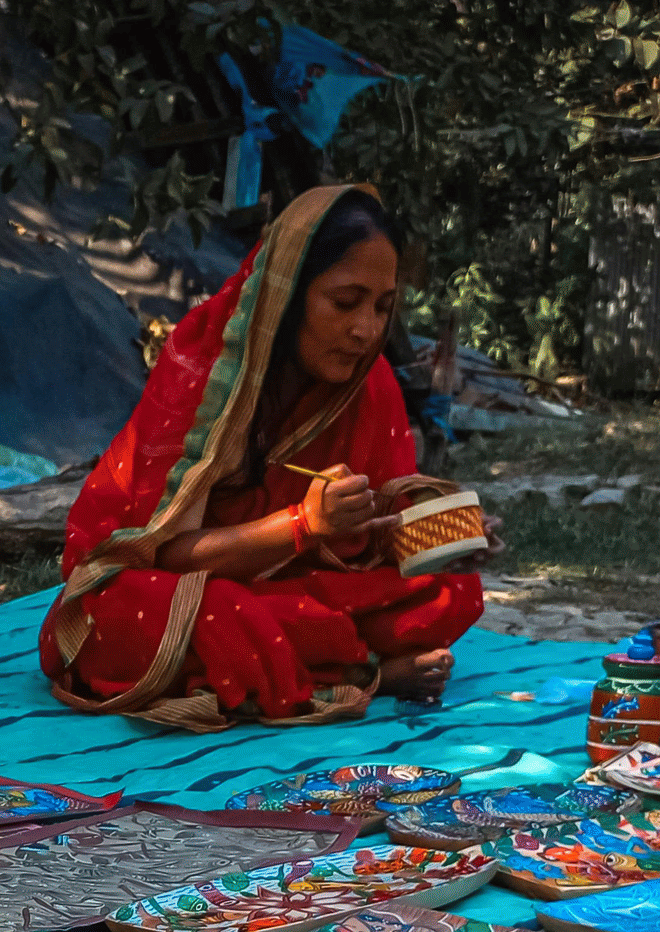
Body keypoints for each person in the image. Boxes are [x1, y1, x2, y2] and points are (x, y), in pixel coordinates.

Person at [38, 184, 500, 733]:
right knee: (101, 621)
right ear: (286, 294)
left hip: (295, 589)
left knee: (451, 592)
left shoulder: (369, 383)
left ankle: (310, 659)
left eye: (383, 307)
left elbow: (369, 539)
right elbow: (161, 555)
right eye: (345, 302)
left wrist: (440, 540)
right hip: (186, 585)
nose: (365, 330)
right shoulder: (207, 369)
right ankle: (366, 671)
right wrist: (302, 524)